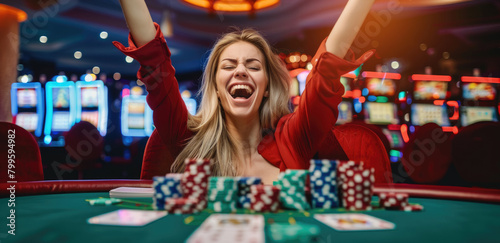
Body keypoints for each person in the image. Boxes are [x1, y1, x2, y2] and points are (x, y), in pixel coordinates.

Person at [114, 0, 375, 185]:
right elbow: (154, 60)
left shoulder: (293, 137)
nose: (241, 71)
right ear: (216, 86)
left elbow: (326, 68)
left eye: (253, 66)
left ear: (266, 88)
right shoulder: (187, 137)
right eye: (228, 65)